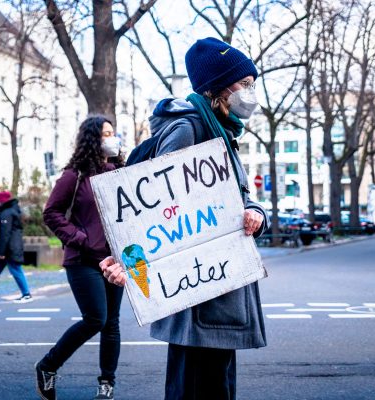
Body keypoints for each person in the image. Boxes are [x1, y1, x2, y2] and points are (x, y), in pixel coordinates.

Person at [100, 37, 268, 400]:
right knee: (197, 387)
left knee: (213, 386)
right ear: (218, 89)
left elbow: (241, 197)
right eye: (244, 84)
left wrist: (256, 212)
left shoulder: (222, 131)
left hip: (218, 289)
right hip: (197, 296)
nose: (250, 93)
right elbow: (152, 207)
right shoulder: (189, 129)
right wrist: (130, 260)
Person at [35, 116, 125, 400]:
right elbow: (51, 213)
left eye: (112, 133)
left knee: (112, 323)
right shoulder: (73, 176)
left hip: (114, 261)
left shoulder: (119, 172)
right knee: (96, 318)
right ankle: (48, 365)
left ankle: (106, 383)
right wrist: (80, 238)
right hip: (83, 260)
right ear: (91, 139)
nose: (111, 138)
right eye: (104, 134)